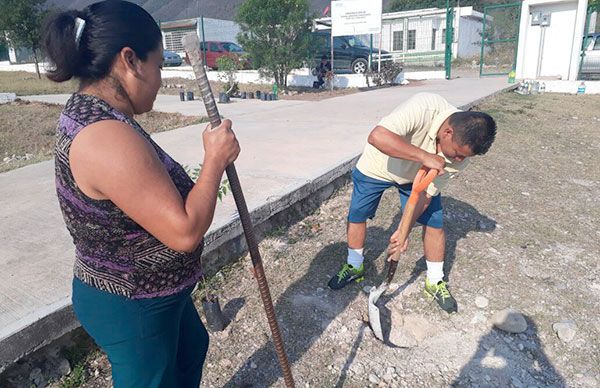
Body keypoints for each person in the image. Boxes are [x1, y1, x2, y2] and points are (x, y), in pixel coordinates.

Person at [42, 1, 240, 386]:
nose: (161, 79)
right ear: (130, 60)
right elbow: (184, 233)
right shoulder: (104, 136)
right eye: (160, 65)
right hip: (133, 304)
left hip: (154, 291)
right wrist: (214, 160)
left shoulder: (96, 112)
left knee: (191, 349)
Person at [328, 93, 496, 314]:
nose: (459, 161)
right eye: (457, 153)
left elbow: (425, 195)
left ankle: (435, 281)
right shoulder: (424, 106)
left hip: (418, 179)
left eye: (465, 157)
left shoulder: (460, 158)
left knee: (435, 222)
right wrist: (424, 156)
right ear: (447, 132)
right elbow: (378, 136)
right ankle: (354, 265)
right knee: (358, 213)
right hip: (379, 166)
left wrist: (404, 231)